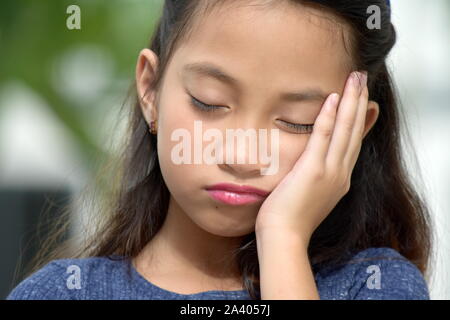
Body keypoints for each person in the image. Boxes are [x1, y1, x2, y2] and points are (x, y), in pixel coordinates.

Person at [7, 0, 432, 300]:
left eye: (296, 120)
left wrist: (282, 239)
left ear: (354, 129)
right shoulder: (63, 292)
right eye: (209, 102)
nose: (243, 155)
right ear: (150, 89)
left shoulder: (375, 285)